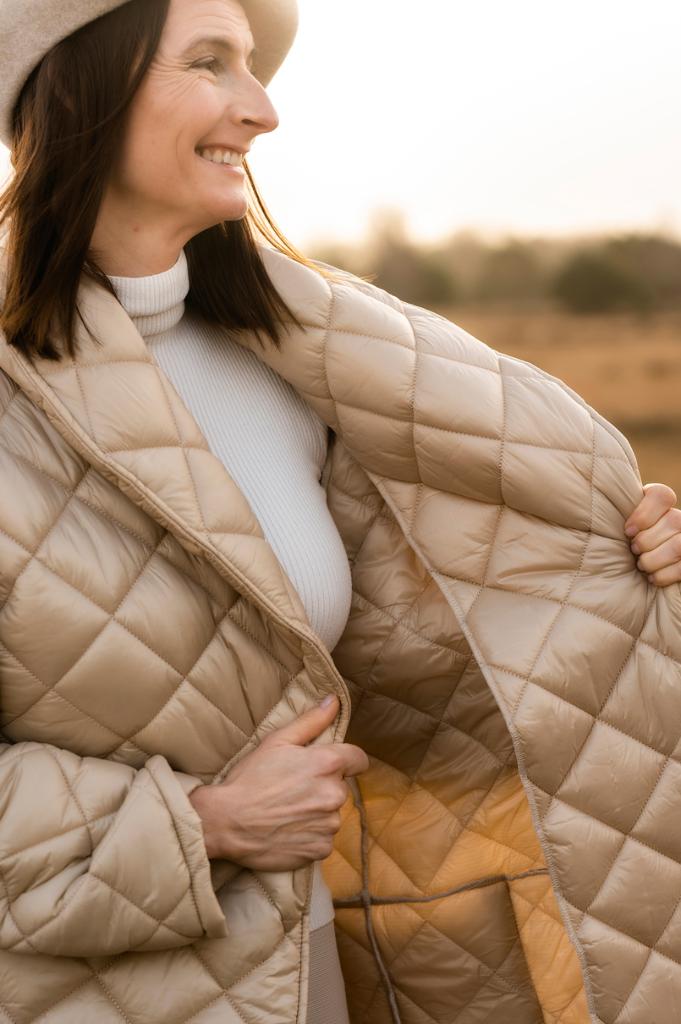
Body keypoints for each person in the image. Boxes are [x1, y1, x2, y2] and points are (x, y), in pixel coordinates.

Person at [0, 1, 679, 1022]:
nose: (262, 109)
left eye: (254, 67)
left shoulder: (302, 370)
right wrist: (202, 823)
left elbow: (435, 659)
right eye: (211, 64)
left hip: (312, 963)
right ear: (82, 88)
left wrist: (615, 557)